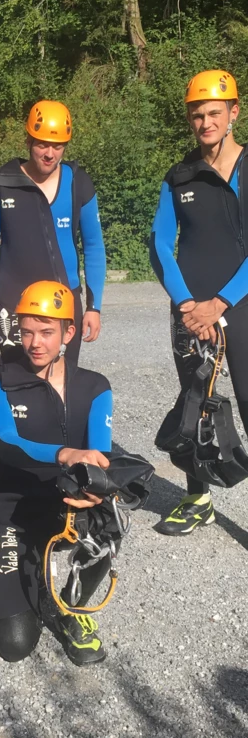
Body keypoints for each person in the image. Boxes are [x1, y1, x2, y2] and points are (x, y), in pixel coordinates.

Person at [0, 280, 114, 665]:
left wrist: (97, 491)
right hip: (15, 517)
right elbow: (6, 443)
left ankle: (72, 606)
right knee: (14, 644)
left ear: (68, 333)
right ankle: (33, 570)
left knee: (109, 522)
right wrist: (65, 453)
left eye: (46, 332)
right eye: (26, 332)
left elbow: (100, 456)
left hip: (68, 513)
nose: (35, 342)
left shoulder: (95, 386)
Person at [150, 69, 247, 535]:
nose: (205, 122)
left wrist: (221, 303)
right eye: (197, 114)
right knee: (195, 401)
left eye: (214, 112)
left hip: (241, 303)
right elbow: (159, 242)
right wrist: (189, 304)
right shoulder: (180, 175)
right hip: (190, 313)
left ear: (234, 112)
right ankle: (197, 499)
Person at [0, 101, 106, 363]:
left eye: (57, 146)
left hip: (63, 302)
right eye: (42, 144)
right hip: (14, 302)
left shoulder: (78, 182)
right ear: (28, 141)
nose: (49, 153)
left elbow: (93, 246)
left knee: (62, 384)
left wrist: (94, 307)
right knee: (16, 385)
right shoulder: (2, 182)